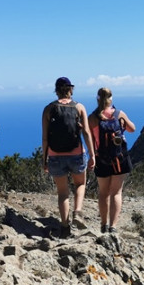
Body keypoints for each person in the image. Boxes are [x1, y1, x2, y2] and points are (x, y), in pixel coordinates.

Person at [42, 78, 95, 238]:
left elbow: (45, 138)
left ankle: (65, 227)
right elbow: (86, 132)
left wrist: (44, 159)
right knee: (80, 184)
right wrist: (92, 154)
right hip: (76, 154)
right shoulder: (79, 107)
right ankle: (77, 212)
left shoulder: (49, 109)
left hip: (55, 156)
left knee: (63, 193)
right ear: (71, 89)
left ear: (56, 90)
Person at [89, 87, 136, 233]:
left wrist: (92, 157)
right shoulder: (119, 114)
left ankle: (103, 225)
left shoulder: (92, 118)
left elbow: (90, 139)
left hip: (101, 159)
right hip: (119, 158)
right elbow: (132, 129)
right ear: (111, 98)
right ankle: (113, 226)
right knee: (116, 192)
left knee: (103, 192)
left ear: (97, 99)